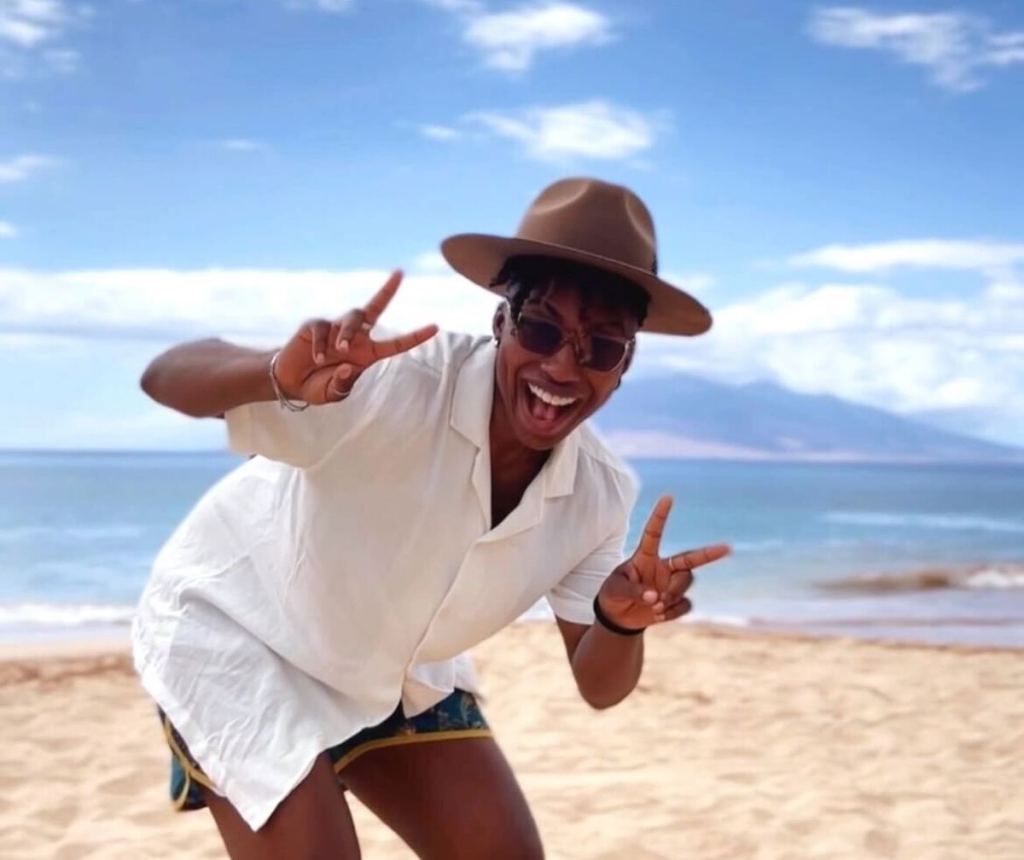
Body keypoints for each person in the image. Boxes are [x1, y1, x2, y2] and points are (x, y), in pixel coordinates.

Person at [133, 176, 730, 859]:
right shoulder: (394, 379)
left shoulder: (598, 491)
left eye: (600, 347)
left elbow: (599, 685)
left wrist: (620, 621)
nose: (563, 366)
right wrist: (274, 373)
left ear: (624, 365)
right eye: (542, 327)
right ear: (501, 322)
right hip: (238, 631)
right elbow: (166, 372)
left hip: (391, 669)